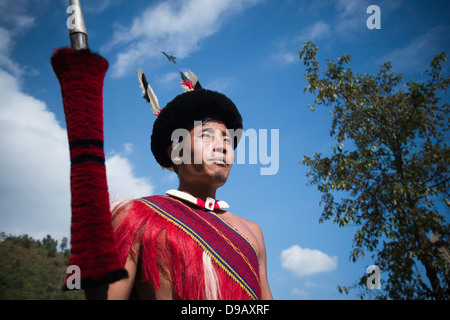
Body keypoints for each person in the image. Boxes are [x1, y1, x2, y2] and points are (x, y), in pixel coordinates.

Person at [106, 86, 272, 300]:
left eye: (227, 140)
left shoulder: (252, 232)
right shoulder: (135, 217)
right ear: (176, 152)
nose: (222, 146)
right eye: (207, 136)